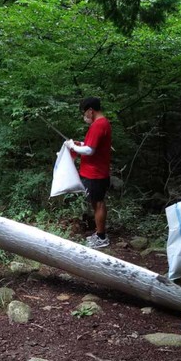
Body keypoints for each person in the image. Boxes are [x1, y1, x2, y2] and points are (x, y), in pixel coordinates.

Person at [65, 97, 112, 249]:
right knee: (96, 202)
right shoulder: (101, 124)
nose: (84, 116)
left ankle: (101, 237)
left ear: (91, 110)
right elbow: (91, 145)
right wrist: (80, 144)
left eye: (85, 112)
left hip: (96, 173)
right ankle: (99, 233)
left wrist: (73, 146)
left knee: (98, 203)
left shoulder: (98, 125)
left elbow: (90, 150)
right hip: (95, 172)